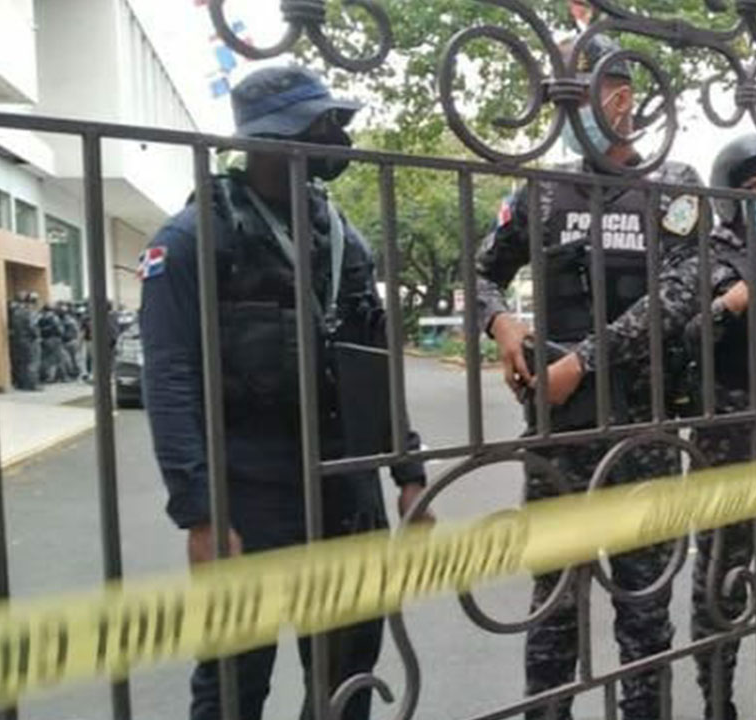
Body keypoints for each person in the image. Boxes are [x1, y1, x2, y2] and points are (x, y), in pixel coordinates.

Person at [140, 66, 430, 720]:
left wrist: (409, 474)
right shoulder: (194, 237)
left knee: (348, 674)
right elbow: (169, 376)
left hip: (345, 484)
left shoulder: (344, 238)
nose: (333, 138)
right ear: (267, 141)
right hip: (250, 490)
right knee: (235, 681)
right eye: (317, 125)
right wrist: (200, 514)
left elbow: (375, 363)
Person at [567, 134, 756, 720]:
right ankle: (719, 698)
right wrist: (727, 307)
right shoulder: (705, 259)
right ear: (728, 197)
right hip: (731, 450)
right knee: (723, 579)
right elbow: (670, 334)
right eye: (753, 188)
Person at [475, 34, 704, 720]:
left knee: (645, 608)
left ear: (621, 98)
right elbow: (482, 271)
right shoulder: (541, 191)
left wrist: (583, 362)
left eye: (578, 91)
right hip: (561, 433)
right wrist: (499, 322)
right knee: (553, 607)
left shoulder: (673, 186)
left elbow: (680, 291)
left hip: (644, 430)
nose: (565, 105)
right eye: (559, 94)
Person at [38, 304, 64, 383]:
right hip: (54, 339)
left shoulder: (41, 319)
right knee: (55, 359)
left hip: (44, 340)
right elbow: (60, 330)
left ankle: (45, 376)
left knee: (45, 359)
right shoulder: (54, 318)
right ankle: (52, 377)